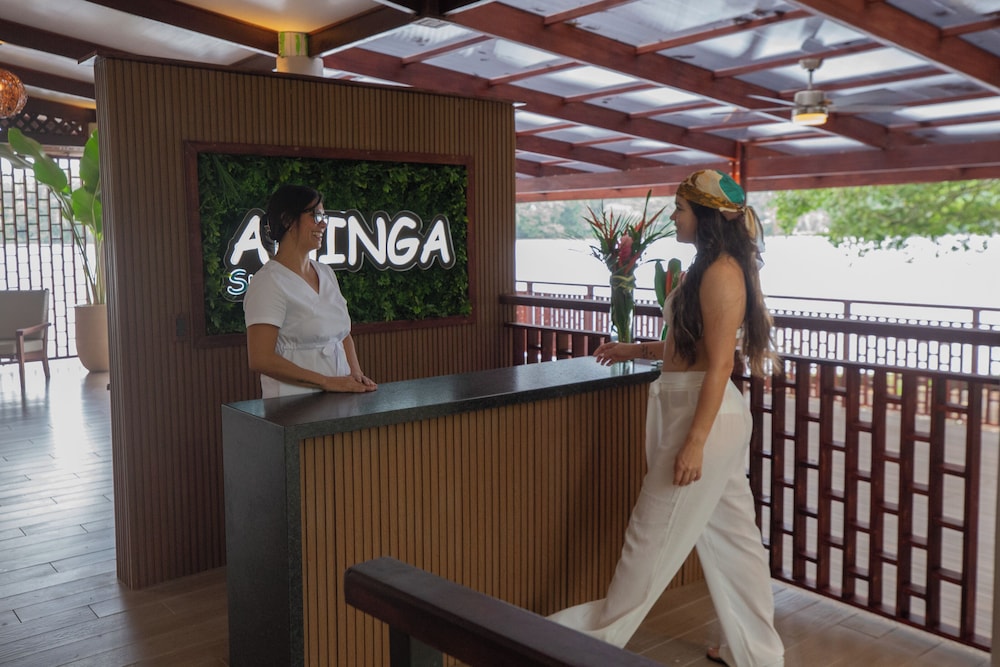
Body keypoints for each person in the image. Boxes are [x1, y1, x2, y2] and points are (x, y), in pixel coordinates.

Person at [548, 170, 784, 667]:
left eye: (680, 209)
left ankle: (579, 647)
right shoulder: (708, 267)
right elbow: (689, 345)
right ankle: (757, 655)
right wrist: (634, 348)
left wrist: (694, 442)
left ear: (704, 216)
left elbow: (720, 364)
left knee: (647, 539)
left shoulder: (722, 273)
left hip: (703, 417)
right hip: (694, 408)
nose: (673, 217)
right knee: (736, 544)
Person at [244, 184, 377, 398]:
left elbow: (342, 335)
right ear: (287, 220)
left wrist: (356, 376)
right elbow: (261, 359)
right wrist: (327, 382)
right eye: (315, 215)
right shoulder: (268, 282)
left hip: (338, 400)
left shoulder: (326, 273)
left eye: (324, 216)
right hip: (292, 403)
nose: (323, 223)